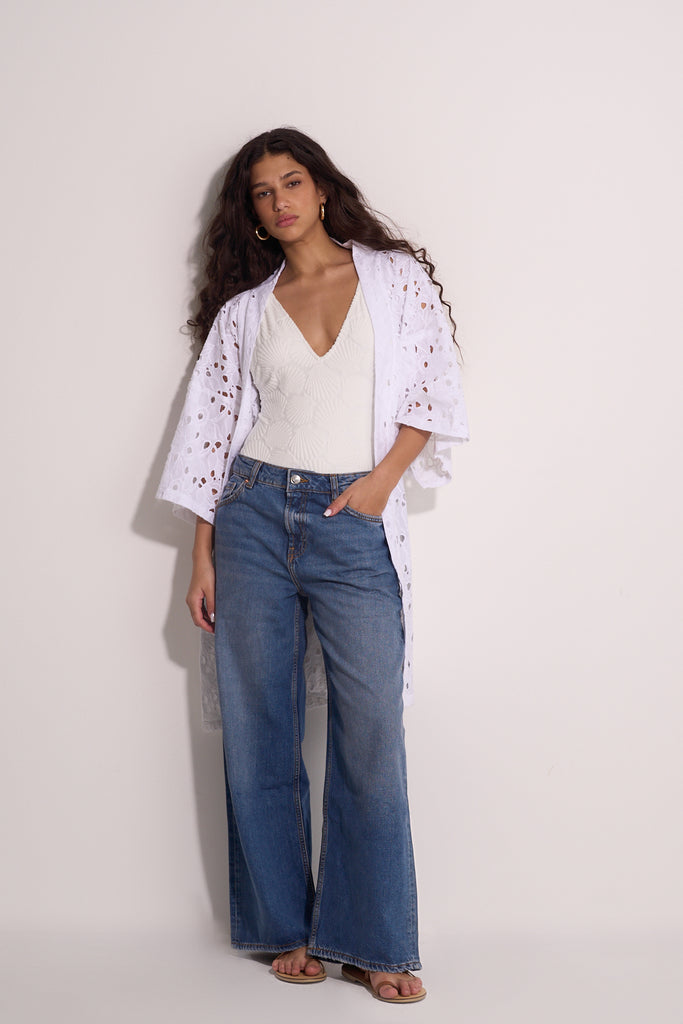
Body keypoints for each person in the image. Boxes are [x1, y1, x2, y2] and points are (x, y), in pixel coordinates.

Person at [157, 127, 468, 1004]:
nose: (280, 200)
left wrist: (380, 484)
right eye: (262, 192)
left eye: (291, 181)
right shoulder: (245, 313)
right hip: (252, 515)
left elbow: (432, 391)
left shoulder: (394, 281)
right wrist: (202, 557)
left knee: (370, 732)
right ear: (252, 216)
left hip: (351, 522)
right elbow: (209, 440)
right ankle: (282, 928)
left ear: (321, 189)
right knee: (260, 726)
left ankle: (372, 941)